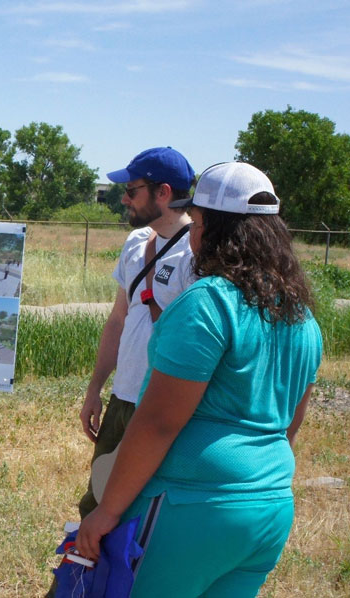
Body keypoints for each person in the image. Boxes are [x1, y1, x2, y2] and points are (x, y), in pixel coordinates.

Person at [75, 162, 322, 597]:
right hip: (269, 506)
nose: (192, 233)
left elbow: (158, 423)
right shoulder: (301, 315)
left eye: (199, 221)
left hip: (192, 505)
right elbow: (291, 422)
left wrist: (105, 512)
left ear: (216, 230)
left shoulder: (206, 303)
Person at [75, 147, 197, 519]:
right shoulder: (135, 244)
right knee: (97, 500)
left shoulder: (196, 255)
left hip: (160, 405)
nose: (124, 199)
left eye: (132, 190)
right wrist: (96, 389)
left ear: (163, 192)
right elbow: (118, 319)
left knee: (144, 513)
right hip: (122, 399)